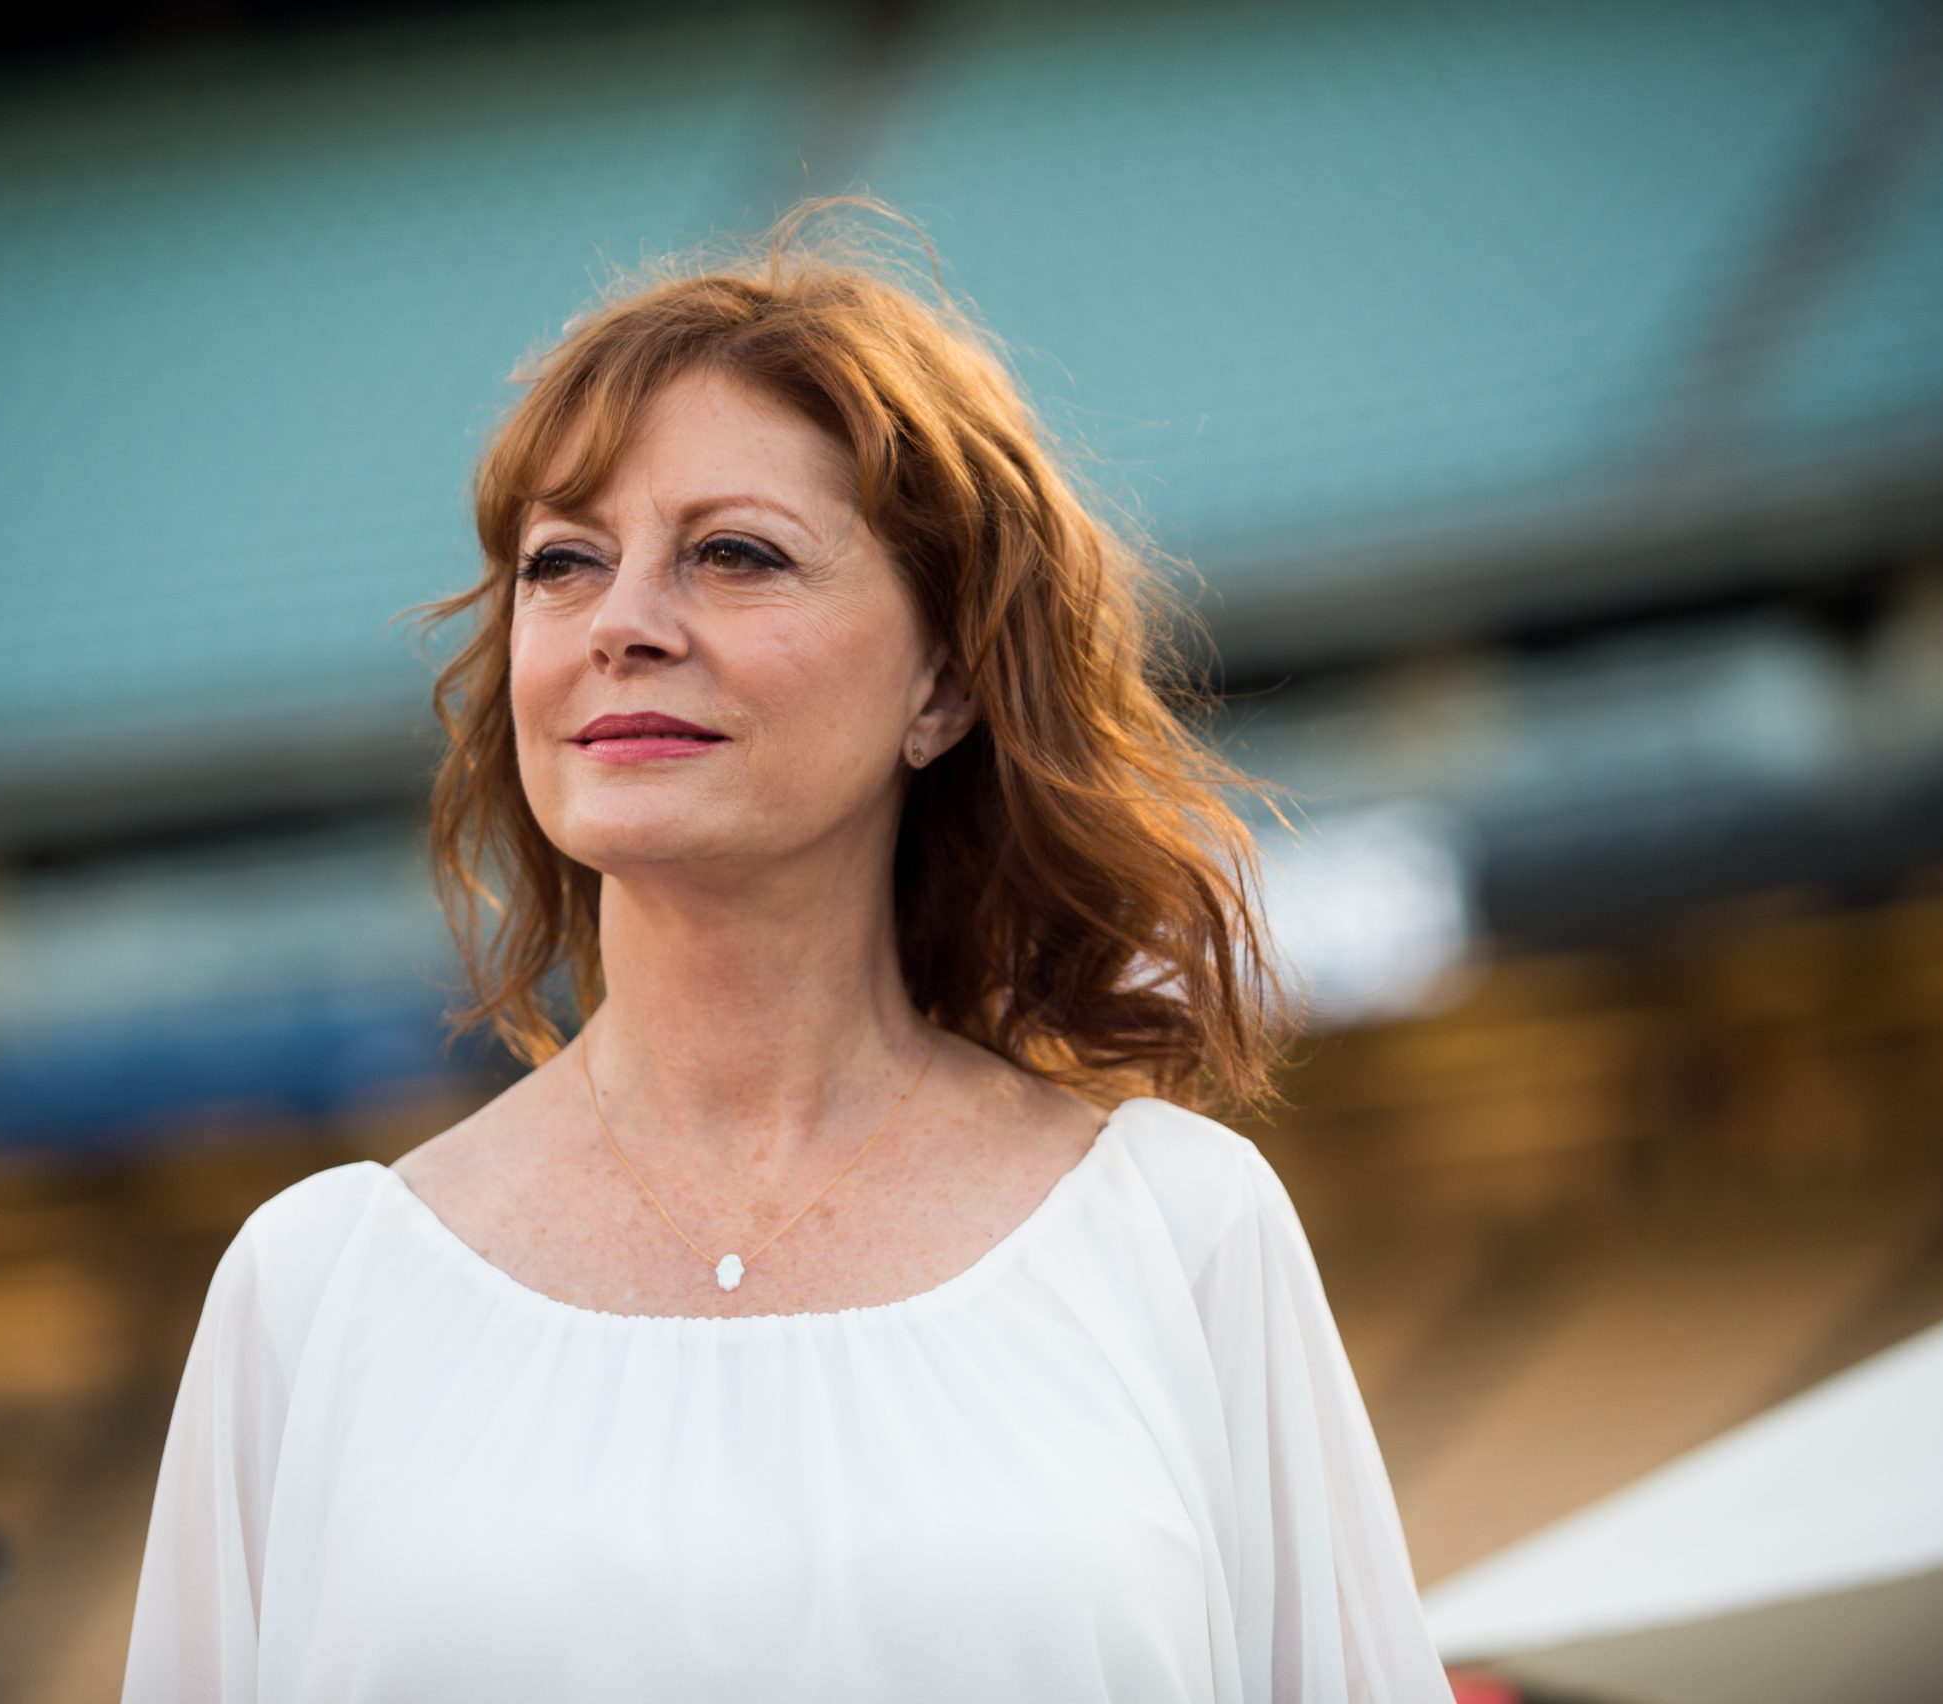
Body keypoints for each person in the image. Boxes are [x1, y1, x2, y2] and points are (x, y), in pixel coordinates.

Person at [122, 197, 1455, 1702]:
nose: (620, 622)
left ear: (943, 682)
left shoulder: (1183, 1240)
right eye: (564, 563)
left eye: (735, 554)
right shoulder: (314, 1291)